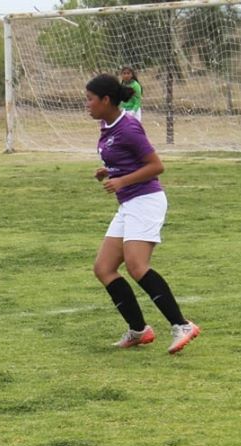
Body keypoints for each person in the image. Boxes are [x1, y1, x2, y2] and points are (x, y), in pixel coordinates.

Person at [86, 73, 199, 354]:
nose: (87, 104)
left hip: (146, 201)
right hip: (129, 203)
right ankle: (139, 331)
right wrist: (109, 171)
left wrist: (122, 181)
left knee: (136, 265)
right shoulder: (107, 125)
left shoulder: (128, 128)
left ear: (106, 100)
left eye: (90, 99)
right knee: (104, 268)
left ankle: (182, 325)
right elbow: (126, 159)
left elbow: (156, 166)